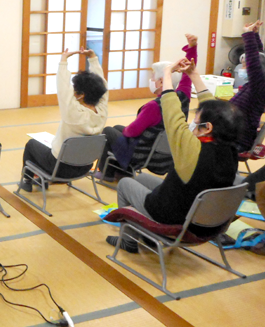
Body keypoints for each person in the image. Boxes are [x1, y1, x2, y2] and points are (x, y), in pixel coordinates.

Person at [107, 58, 243, 253]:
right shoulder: (230, 149)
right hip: (205, 217)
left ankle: (129, 241)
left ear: (207, 128)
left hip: (174, 216)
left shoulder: (192, 149)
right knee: (144, 177)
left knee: (125, 184)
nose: (193, 121)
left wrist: (168, 74)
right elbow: (212, 110)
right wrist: (194, 74)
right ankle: (144, 235)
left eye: (197, 119)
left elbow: (173, 114)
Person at [96, 34, 197, 180]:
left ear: (162, 81)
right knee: (118, 127)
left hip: (146, 155)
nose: (151, 80)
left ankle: (109, 173)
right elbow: (188, 74)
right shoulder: (183, 97)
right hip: (168, 153)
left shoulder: (154, 106)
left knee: (109, 131)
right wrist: (192, 49)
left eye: (152, 77)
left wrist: (125, 131)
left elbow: (131, 132)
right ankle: (120, 170)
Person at [20, 48, 108, 190]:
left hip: (59, 168)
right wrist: (93, 58)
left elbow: (62, 87)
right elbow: (102, 86)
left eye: (75, 89)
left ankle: (27, 181)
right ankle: (38, 179)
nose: (72, 91)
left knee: (31, 144)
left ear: (81, 95)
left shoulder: (73, 113)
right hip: (85, 167)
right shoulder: (102, 111)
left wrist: (63, 60)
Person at [229, 21, 265, 152]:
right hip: (233, 134)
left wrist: (248, 35)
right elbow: (261, 57)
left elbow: (256, 63)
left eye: (245, 66)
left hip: (237, 141)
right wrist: (255, 35)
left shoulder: (259, 88)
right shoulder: (254, 86)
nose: (242, 68)